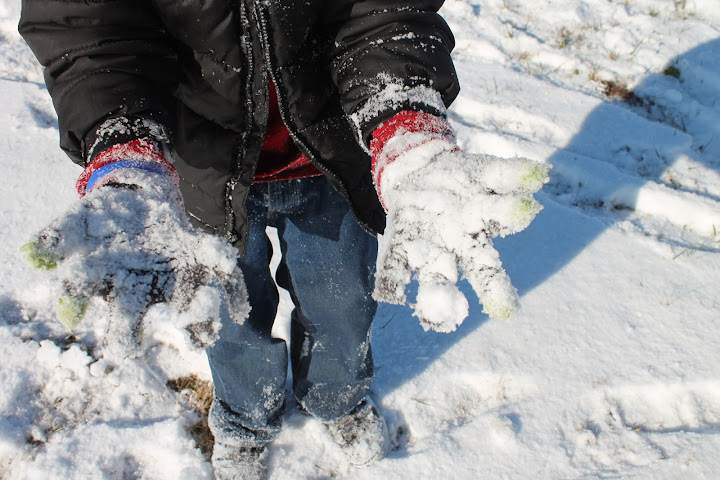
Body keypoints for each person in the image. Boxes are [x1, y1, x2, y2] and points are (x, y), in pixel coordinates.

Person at [19, 1, 547, 478]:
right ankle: (246, 420)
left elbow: (383, 11)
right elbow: (90, 30)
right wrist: (124, 143)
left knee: (343, 307)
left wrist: (404, 122)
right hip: (202, 173)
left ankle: (337, 400)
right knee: (233, 318)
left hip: (328, 161)